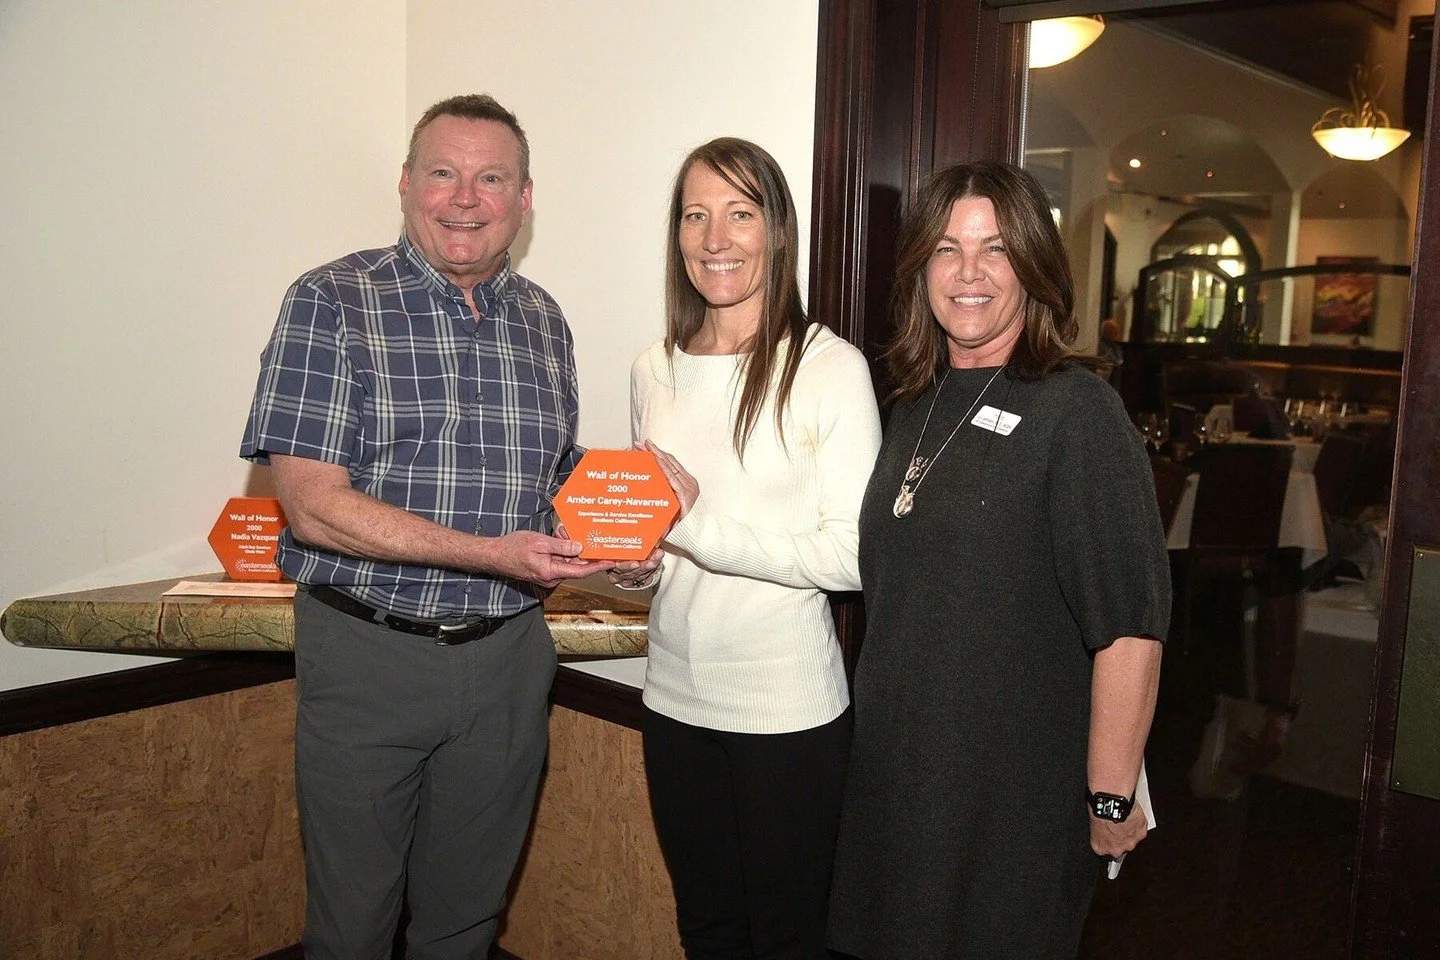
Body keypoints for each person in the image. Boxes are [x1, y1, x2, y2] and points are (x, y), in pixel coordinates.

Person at [239, 94, 611, 960]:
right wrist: (489, 554)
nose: (465, 198)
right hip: (370, 656)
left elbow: (553, 486)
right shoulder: (331, 301)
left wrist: (622, 546)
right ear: (407, 184)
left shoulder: (545, 321)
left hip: (512, 660)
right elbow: (311, 503)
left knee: (467, 921)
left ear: (525, 199)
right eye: (443, 173)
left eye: (492, 178)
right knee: (353, 927)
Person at [827, 160, 1170, 960]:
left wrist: (1111, 799)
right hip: (899, 784)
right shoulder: (914, 402)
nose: (969, 272)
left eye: (996, 249)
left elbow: (1130, 629)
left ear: (1034, 267)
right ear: (921, 270)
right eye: (947, 250)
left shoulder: (1077, 412)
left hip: (1010, 801)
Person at [613, 137, 881, 959]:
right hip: (672, 699)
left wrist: (685, 526)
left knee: (787, 939)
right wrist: (638, 563)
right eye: (696, 215)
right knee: (709, 930)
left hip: (787, 714)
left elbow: (851, 558)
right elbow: (659, 554)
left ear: (777, 231)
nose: (715, 236)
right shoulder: (653, 367)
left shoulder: (827, 368)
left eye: (739, 212)